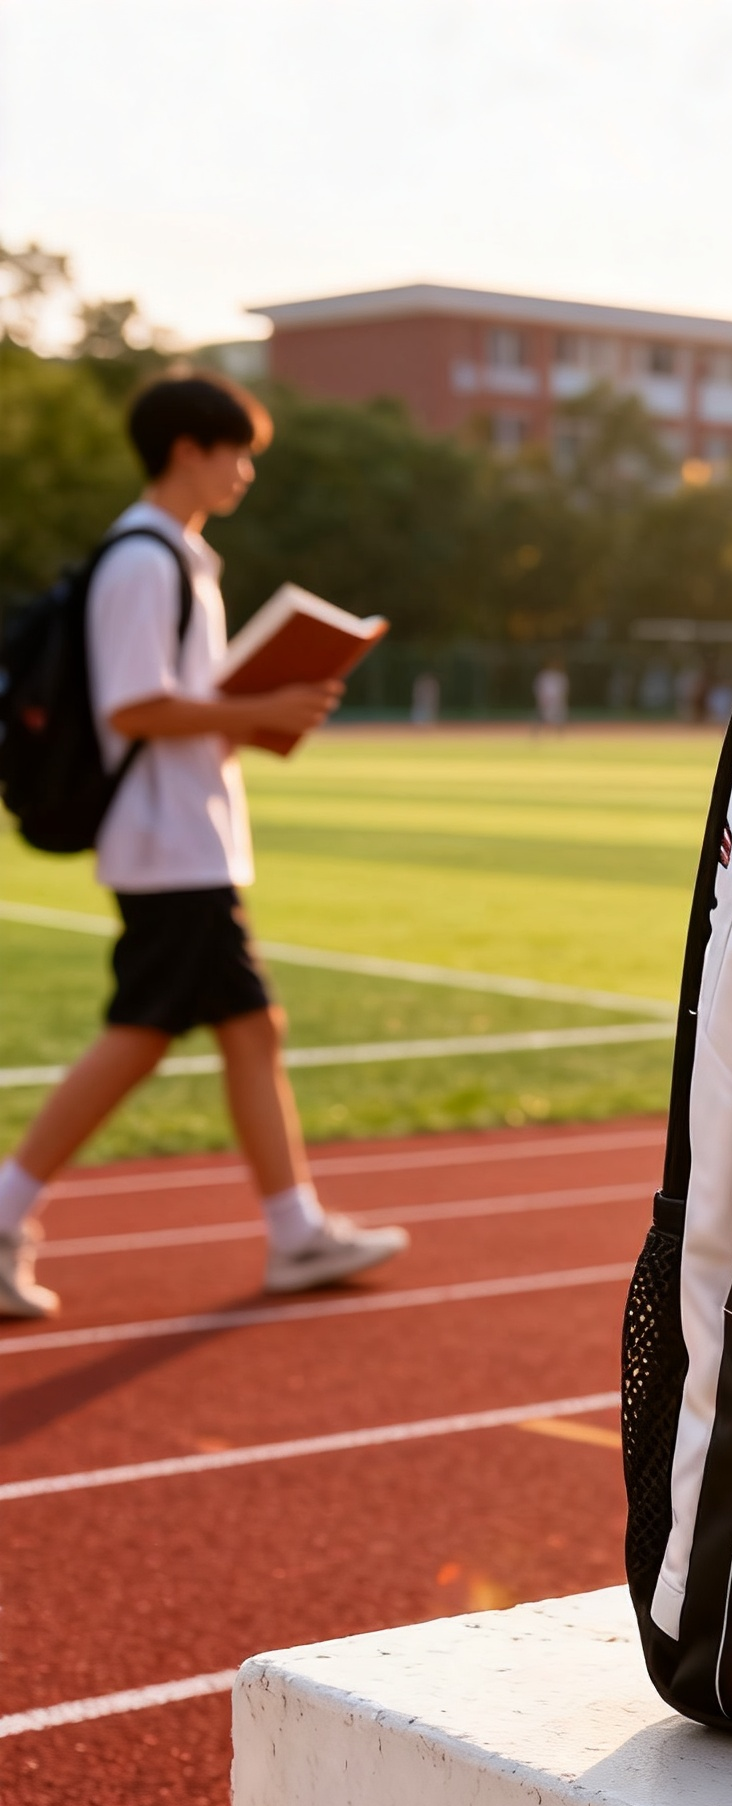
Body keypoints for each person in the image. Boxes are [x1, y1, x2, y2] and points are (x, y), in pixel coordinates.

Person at [0, 371, 408, 1319]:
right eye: (240, 452)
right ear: (190, 449)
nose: (247, 473)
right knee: (149, 1033)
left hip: (187, 833)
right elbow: (131, 706)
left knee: (231, 1028)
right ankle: (13, 1209)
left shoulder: (182, 558)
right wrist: (256, 704)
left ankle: (295, 1228)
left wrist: (253, 715)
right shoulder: (142, 561)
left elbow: (174, 706)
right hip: (165, 839)